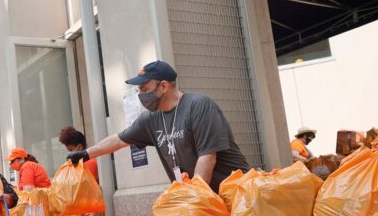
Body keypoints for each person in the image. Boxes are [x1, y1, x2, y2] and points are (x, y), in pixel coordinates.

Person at [67, 60, 250, 192]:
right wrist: (86, 154)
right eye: (139, 90)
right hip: (205, 204)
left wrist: (194, 198)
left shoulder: (199, 106)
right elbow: (119, 140)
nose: (140, 95)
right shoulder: (151, 119)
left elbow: (207, 158)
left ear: (163, 86)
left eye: (144, 89)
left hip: (237, 196)